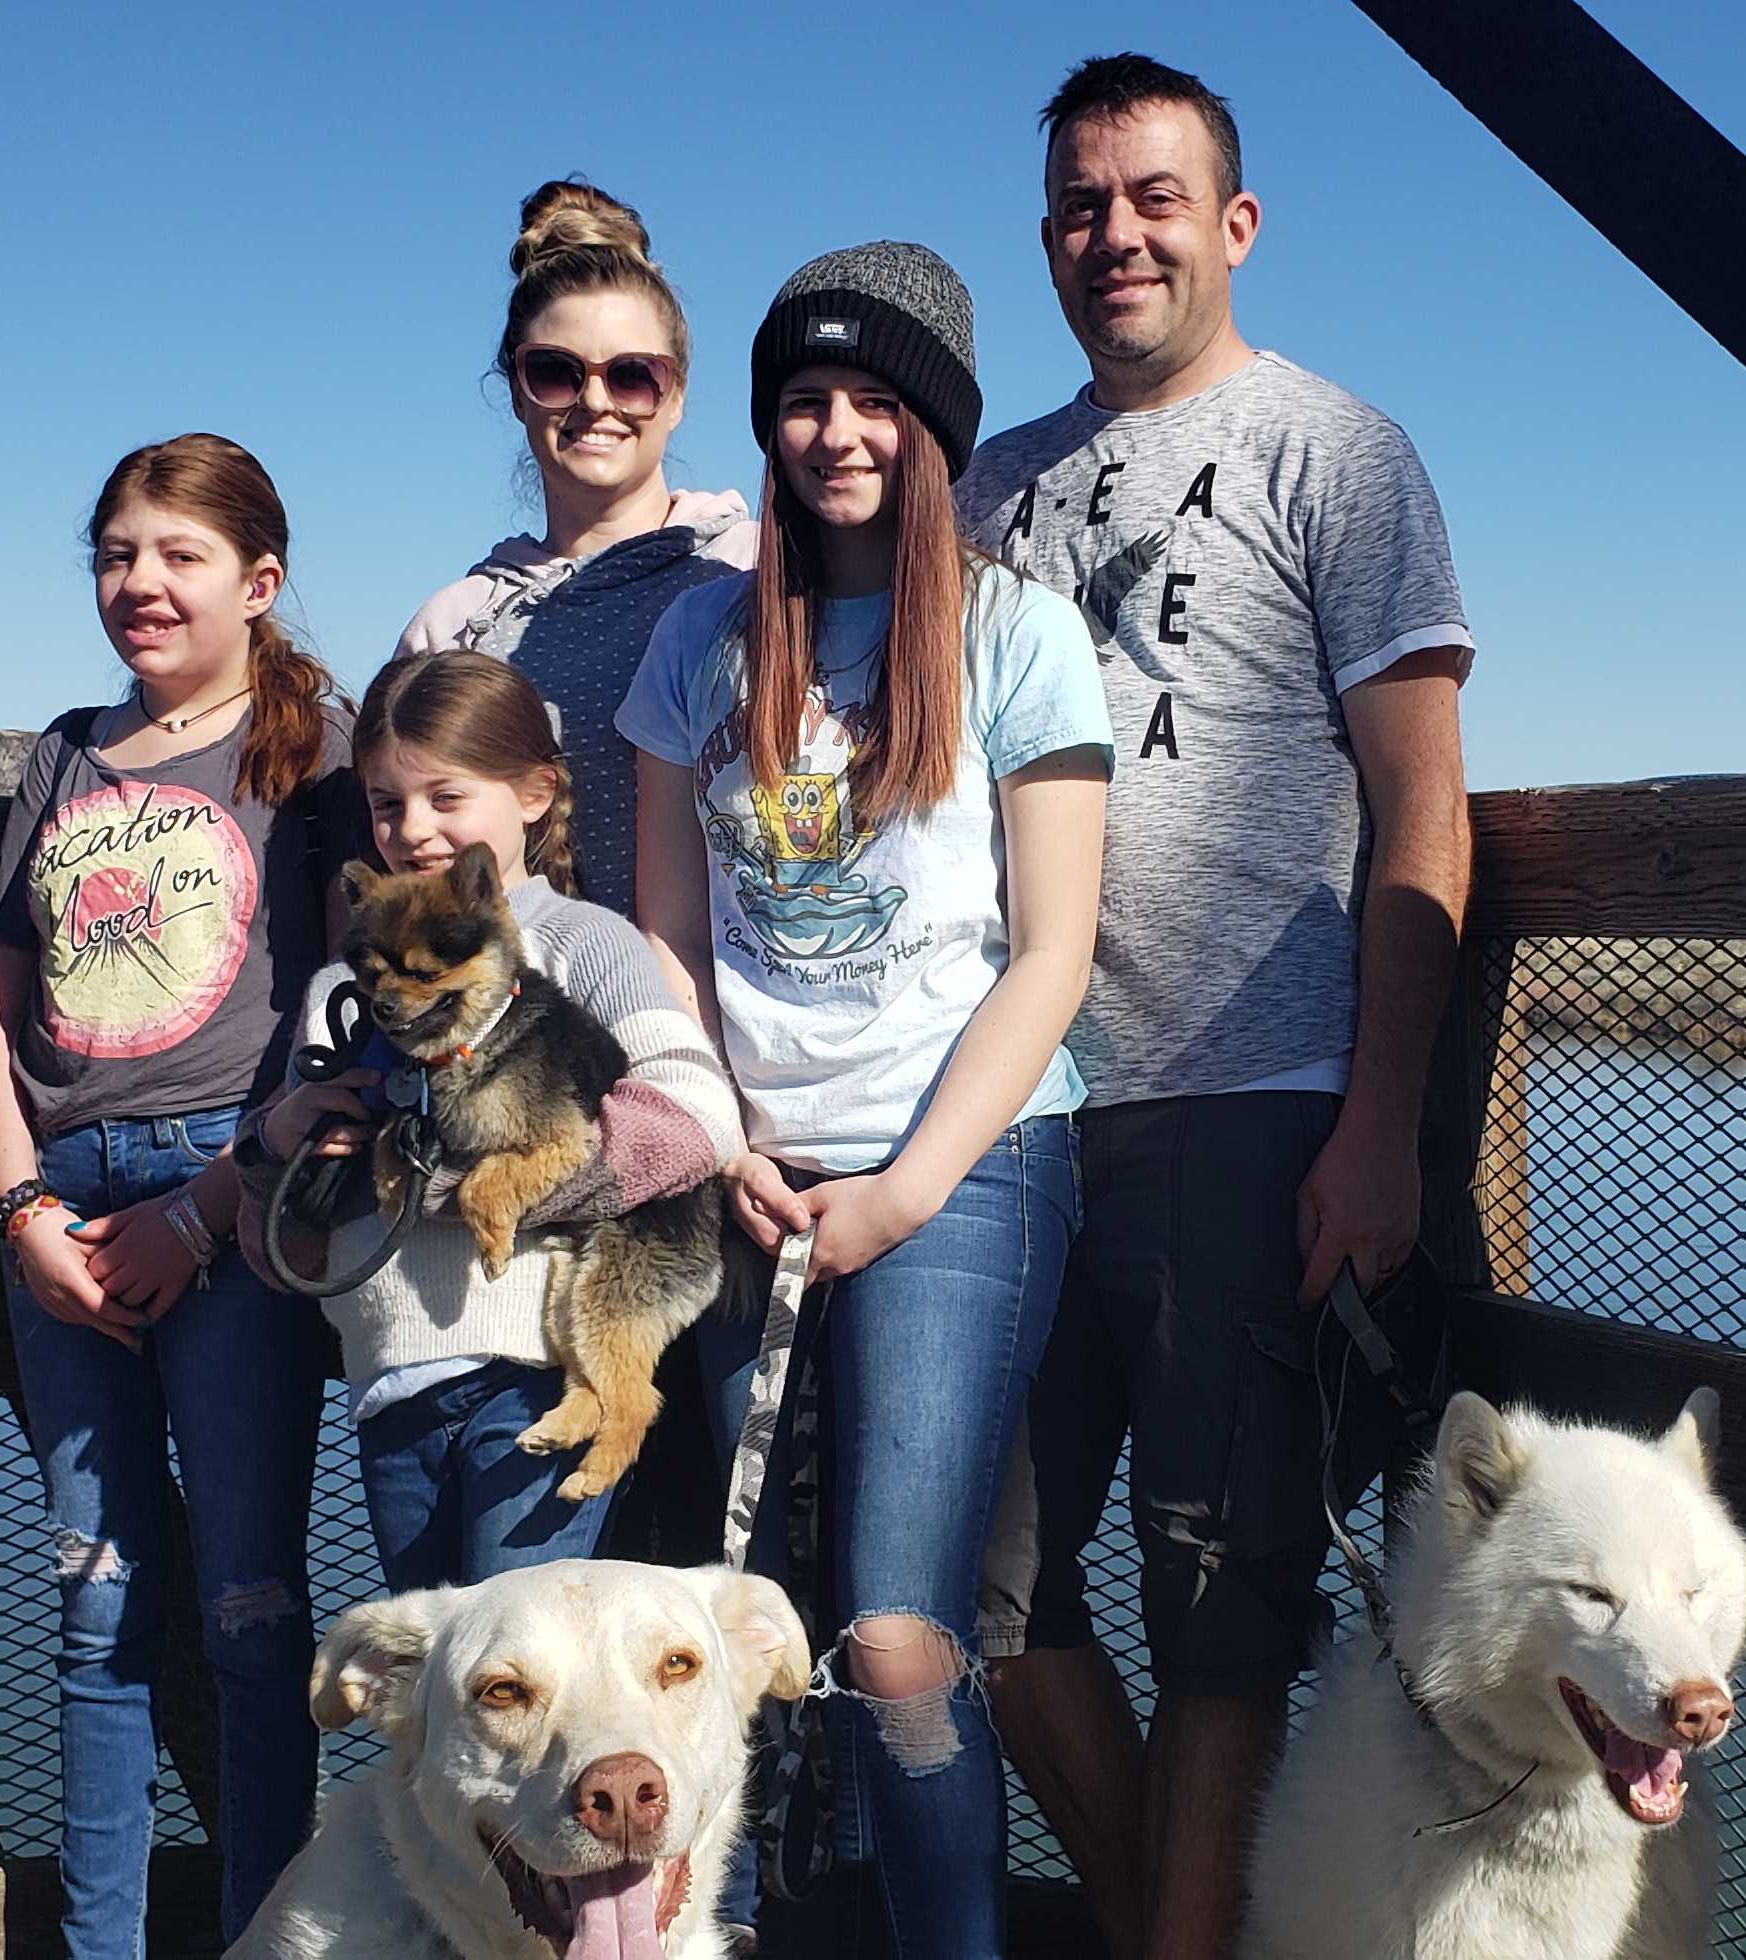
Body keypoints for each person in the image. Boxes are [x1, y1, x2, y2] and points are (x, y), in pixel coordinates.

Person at [958, 54, 1479, 1960]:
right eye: (1082, 206)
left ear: (1234, 224)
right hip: (1010, 1112)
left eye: (1154, 198)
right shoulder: (985, 488)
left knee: (1220, 1602)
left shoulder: (1333, 452)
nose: (1117, 235)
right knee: (970, 1588)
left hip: (1247, 1102)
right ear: (1046, 240)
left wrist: (1378, 1125)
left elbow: (1422, 806)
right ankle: (1165, 1929)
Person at [619, 241, 1110, 1959]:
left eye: (875, 401)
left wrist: (901, 1193)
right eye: (806, 399)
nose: (835, 432)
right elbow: (667, 940)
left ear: (935, 430)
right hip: (749, 1170)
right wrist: (719, 1134)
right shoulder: (697, 643)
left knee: (899, 1633)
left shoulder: (1015, 634)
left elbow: (1052, 951)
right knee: (757, 1607)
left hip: (962, 1167)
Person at [0, 434, 362, 1956]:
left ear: (258, 582)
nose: (142, 583)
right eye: (118, 554)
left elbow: (350, 1028)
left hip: (236, 1205)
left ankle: (264, 1935)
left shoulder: (316, 759)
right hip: (62, 1209)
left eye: (180, 555)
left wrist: (207, 1213)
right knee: (97, 1609)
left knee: (251, 1610)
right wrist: (22, 1218)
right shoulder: (64, 753)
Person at [249, 649, 741, 1590]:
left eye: (446, 797)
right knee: (435, 1651)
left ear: (535, 793)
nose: (411, 829)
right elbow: (291, 1228)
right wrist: (277, 1143)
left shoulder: (587, 943)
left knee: (520, 1644)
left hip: (535, 1364)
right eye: (386, 804)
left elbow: (698, 1119)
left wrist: (453, 1182)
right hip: (390, 1380)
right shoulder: (342, 989)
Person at [398, 178, 757, 924]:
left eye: (632, 376)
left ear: (677, 396)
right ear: (517, 389)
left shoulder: (757, 571)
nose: (596, 402)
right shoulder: (452, 629)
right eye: (557, 373)